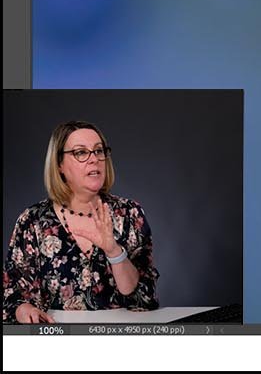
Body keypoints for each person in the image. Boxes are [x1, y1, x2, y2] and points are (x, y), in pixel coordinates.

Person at [5, 120, 159, 322]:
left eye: (98, 151)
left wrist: (114, 252)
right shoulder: (32, 221)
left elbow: (143, 298)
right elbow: (12, 293)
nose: (94, 159)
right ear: (59, 164)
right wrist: (23, 309)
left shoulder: (129, 214)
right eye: (81, 152)